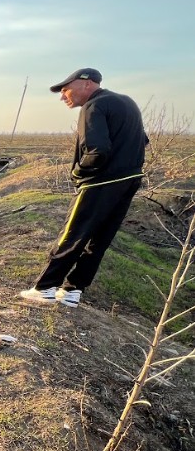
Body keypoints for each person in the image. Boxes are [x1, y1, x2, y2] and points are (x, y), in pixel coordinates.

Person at [19, 68, 148, 308]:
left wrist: (79, 172)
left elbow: (98, 151)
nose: (62, 96)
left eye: (65, 89)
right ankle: (72, 290)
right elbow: (143, 140)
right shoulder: (127, 102)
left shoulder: (94, 106)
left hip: (100, 182)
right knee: (99, 240)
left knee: (73, 233)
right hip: (129, 181)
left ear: (86, 84)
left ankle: (45, 287)